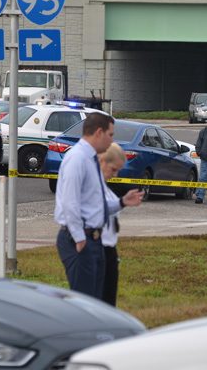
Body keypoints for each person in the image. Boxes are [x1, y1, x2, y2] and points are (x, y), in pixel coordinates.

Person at [54, 113, 143, 300]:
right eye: (111, 135)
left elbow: (94, 205)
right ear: (99, 132)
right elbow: (70, 202)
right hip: (80, 239)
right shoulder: (77, 158)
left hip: (94, 239)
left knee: (97, 302)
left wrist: (121, 202)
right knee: (85, 303)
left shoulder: (91, 159)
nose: (112, 140)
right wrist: (79, 238)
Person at [100, 142, 137, 306]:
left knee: (109, 300)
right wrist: (121, 202)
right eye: (113, 169)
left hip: (108, 247)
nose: (114, 175)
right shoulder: (93, 186)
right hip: (99, 247)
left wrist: (123, 201)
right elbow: (97, 209)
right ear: (102, 161)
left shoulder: (104, 187)